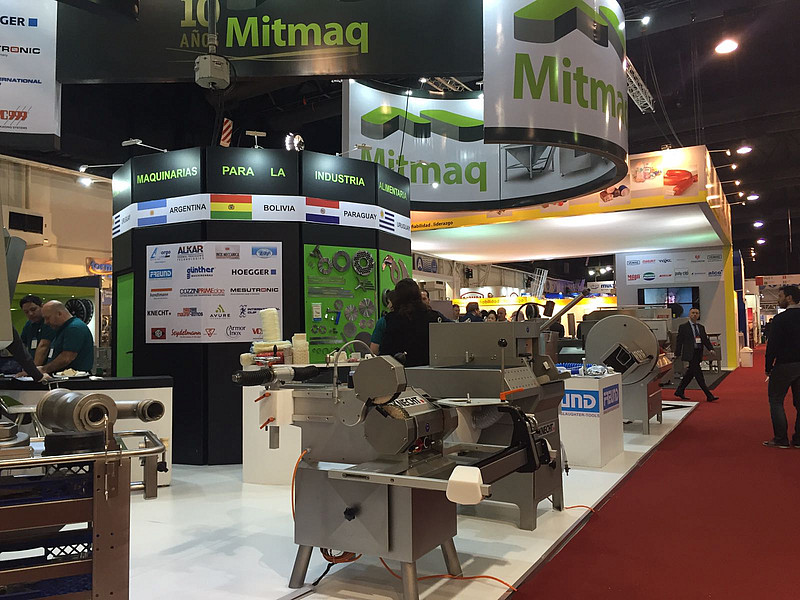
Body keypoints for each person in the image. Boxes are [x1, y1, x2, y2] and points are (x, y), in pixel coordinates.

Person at [380, 279, 448, 367]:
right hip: (430, 367)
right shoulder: (433, 316)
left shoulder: (392, 319)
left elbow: (385, 351)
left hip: (402, 368)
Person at [763, 285, 800, 448]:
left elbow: (773, 345)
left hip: (784, 365)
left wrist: (768, 366)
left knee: (776, 401)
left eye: (780, 296)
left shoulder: (780, 319)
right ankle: (798, 440)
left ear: (789, 298)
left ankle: (781, 439)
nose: (778, 300)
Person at [674, 307, 718, 402]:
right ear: (689, 314)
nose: (695, 315)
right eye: (693, 313)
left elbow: (705, 340)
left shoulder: (701, 327)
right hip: (690, 353)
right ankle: (708, 395)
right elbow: (679, 341)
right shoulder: (683, 327)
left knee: (690, 373)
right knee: (698, 374)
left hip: (698, 353)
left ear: (699, 315)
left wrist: (711, 349)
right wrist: (677, 353)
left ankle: (679, 390)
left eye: (696, 313)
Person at [38, 300, 94, 375]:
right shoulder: (64, 328)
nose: (45, 322)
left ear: (59, 314)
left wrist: (43, 369)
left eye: (47, 318)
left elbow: (66, 358)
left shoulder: (74, 328)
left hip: (73, 378)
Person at [19, 294, 55, 365]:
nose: (30, 314)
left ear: (42, 306)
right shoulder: (28, 325)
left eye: (33, 309)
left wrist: (34, 369)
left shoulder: (49, 322)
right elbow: (21, 345)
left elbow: (44, 346)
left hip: (48, 366)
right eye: (26, 312)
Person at [370, 291, 395, 355]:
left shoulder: (383, 321)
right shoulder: (414, 320)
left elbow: (374, 350)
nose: (388, 306)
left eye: (389, 303)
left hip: (387, 359)